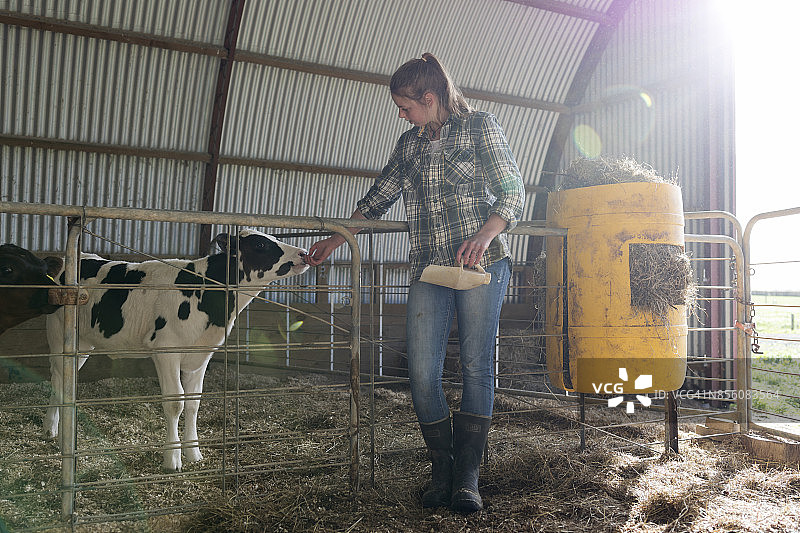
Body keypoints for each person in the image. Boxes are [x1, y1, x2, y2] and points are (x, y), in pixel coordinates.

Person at [305, 53, 524, 513]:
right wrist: (336, 239)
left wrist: (485, 235)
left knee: (476, 366)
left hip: (483, 264)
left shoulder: (481, 126)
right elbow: (378, 197)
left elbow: (511, 190)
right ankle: (440, 468)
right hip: (429, 268)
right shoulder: (410, 145)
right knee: (422, 373)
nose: (400, 115)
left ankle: (467, 476)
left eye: (405, 106)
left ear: (429, 98)